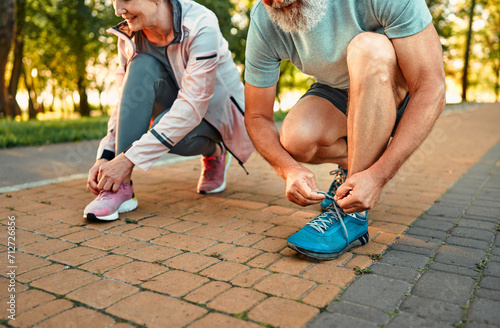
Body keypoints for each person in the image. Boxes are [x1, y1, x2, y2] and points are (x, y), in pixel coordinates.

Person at [244, 0, 446, 260]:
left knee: (368, 47)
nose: (276, 1)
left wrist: (379, 176)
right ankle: (354, 172)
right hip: (340, 91)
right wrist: (289, 169)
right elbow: (257, 116)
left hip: (398, 91)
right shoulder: (265, 19)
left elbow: (431, 87)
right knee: (296, 138)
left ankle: (351, 216)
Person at [84, 0, 253, 221]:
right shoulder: (130, 36)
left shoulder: (201, 24)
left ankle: (216, 153)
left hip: (217, 116)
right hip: (173, 108)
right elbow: (125, 102)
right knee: (142, 64)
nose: (118, 10)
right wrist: (105, 157)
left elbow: (193, 106)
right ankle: (120, 188)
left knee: (169, 131)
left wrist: (127, 159)